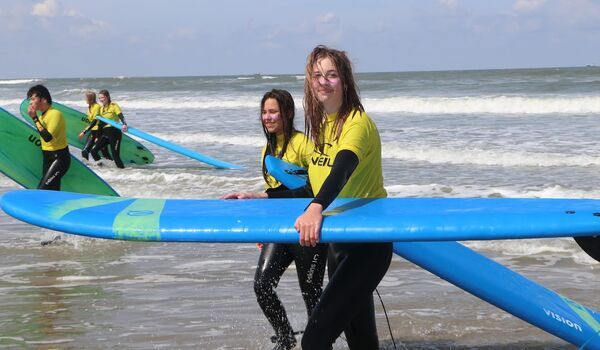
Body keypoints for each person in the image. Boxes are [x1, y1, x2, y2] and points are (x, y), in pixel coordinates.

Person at [224, 46, 393, 349]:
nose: (324, 82)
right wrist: (263, 196)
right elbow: (312, 186)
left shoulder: (356, 123)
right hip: (338, 244)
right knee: (361, 339)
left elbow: (341, 170)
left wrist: (316, 209)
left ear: (345, 81)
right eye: (317, 75)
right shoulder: (323, 126)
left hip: (367, 246)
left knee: (314, 340)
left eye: (332, 75)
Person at [222, 89, 328, 350]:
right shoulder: (267, 149)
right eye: (264, 112)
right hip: (280, 229)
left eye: (273, 112)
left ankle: (321, 344)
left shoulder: (304, 145)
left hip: (307, 230)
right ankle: (285, 337)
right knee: (262, 286)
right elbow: (276, 195)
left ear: (287, 114)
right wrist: (263, 227)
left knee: (311, 293)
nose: (267, 117)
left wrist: (260, 196)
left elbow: (315, 190)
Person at [26, 84, 71, 190]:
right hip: (47, 158)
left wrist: (34, 118)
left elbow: (48, 137)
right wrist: (37, 119)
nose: (30, 102)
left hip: (59, 159)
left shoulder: (55, 114)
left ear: (44, 99)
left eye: (33, 99)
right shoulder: (43, 116)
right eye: (30, 100)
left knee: (42, 190)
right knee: (52, 191)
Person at [89, 89, 128, 168]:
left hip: (114, 132)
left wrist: (124, 124)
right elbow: (100, 123)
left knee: (115, 156)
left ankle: (122, 171)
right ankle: (104, 168)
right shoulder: (101, 108)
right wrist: (97, 136)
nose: (100, 100)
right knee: (93, 151)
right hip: (104, 133)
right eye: (99, 98)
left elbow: (121, 116)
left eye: (102, 98)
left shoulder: (114, 106)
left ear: (107, 97)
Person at [77, 91, 111, 161]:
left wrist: (84, 132)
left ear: (90, 99)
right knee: (85, 151)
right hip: (93, 132)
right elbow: (90, 122)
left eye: (86, 98)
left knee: (104, 154)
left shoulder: (97, 106)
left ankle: (106, 168)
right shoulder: (89, 107)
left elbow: (95, 122)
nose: (85, 99)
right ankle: (89, 167)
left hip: (100, 132)